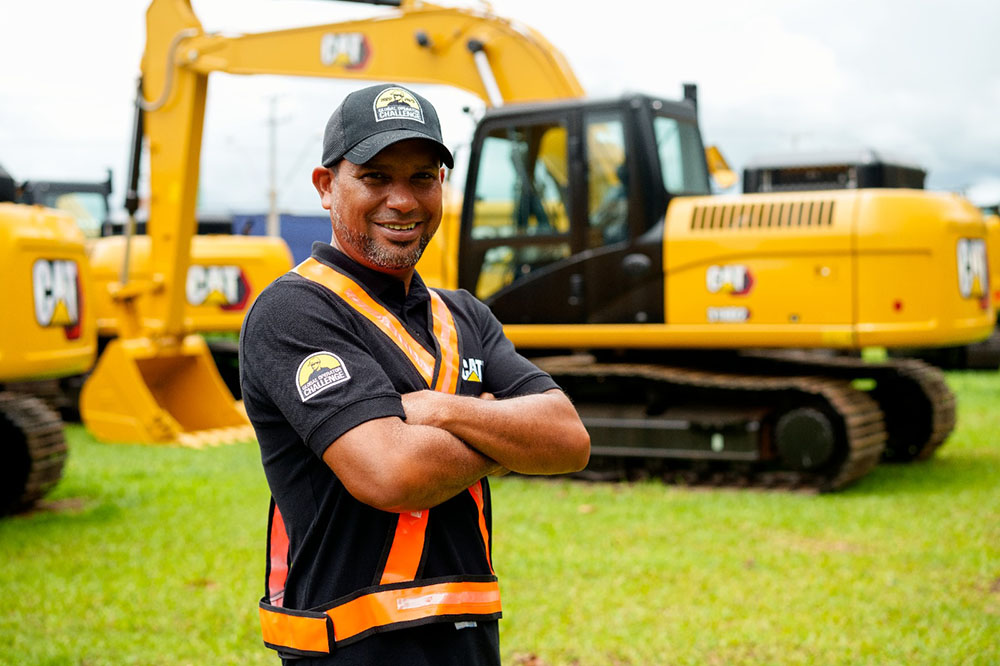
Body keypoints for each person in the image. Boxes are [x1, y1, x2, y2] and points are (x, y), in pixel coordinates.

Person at [239, 83, 590, 665]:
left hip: (469, 636)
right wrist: (510, 442)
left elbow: (569, 439)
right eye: (376, 177)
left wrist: (440, 409)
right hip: (355, 648)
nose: (402, 200)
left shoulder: (465, 315)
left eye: (422, 177)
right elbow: (393, 473)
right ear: (326, 188)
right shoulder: (295, 311)